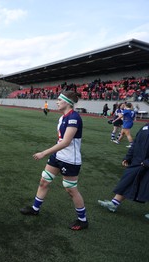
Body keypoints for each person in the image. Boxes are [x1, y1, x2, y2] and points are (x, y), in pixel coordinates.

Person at [20, 91, 88, 230]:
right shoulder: (63, 117)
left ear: (68, 102)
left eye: (59, 100)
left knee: (70, 189)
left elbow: (66, 142)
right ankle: (35, 209)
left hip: (70, 160)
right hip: (58, 156)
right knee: (44, 180)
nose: (56, 102)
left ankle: (82, 220)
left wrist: (43, 153)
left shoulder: (74, 118)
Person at [98, 123, 149, 219]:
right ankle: (114, 204)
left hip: (146, 163)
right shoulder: (145, 127)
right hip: (138, 162)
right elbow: (135, 143)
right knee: (128, 180)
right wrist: (128, 157)